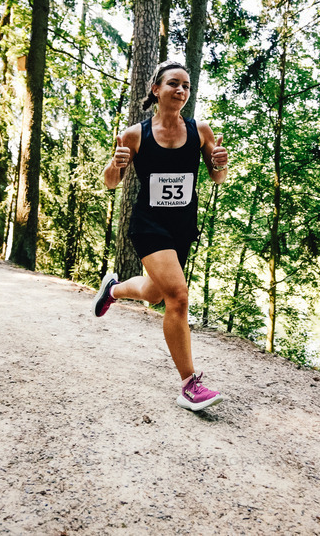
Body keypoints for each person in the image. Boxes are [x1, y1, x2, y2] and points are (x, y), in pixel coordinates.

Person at [93, 60, 229, 412]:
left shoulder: (200, 130)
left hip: (182, 226)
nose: (181, 90)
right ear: (156, 89)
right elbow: (111, 182)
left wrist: (219, 162)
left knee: (157, 293)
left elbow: (217, 178)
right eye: (173, 84)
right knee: (179, 297)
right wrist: (116, 164)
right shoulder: (134, 134)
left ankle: (114, 289)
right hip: (148, 224)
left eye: (186, 85)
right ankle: (189, 384)